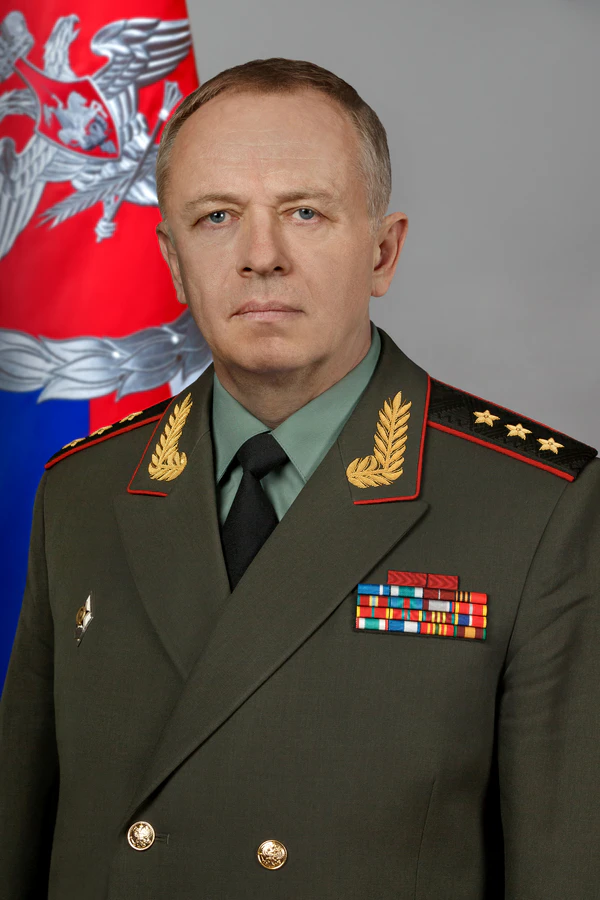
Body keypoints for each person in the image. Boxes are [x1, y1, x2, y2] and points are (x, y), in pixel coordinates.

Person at [1, 57, 599, 900]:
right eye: (216, 217)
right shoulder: (82, 491)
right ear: (173, 260)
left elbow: (564, 867)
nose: (261, 257)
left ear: (383, 251)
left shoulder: (537, 508)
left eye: (305, 213)